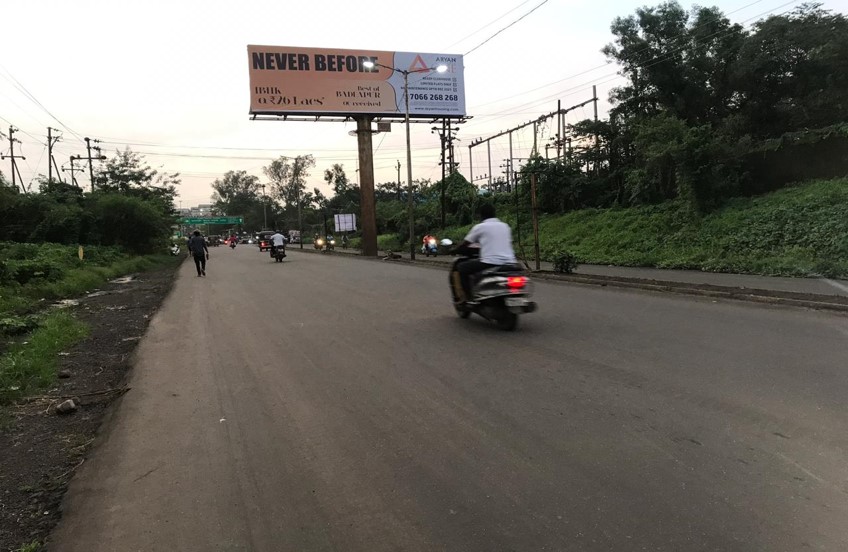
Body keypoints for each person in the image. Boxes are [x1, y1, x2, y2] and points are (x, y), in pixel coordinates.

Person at [455, 204, 517, 303]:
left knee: (462, 267)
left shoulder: (480, 227)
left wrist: (455, 249)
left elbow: (465, 244)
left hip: (490, 262)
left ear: (481, 215)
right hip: (510, 262)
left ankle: (468, 297)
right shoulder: (505, 226)